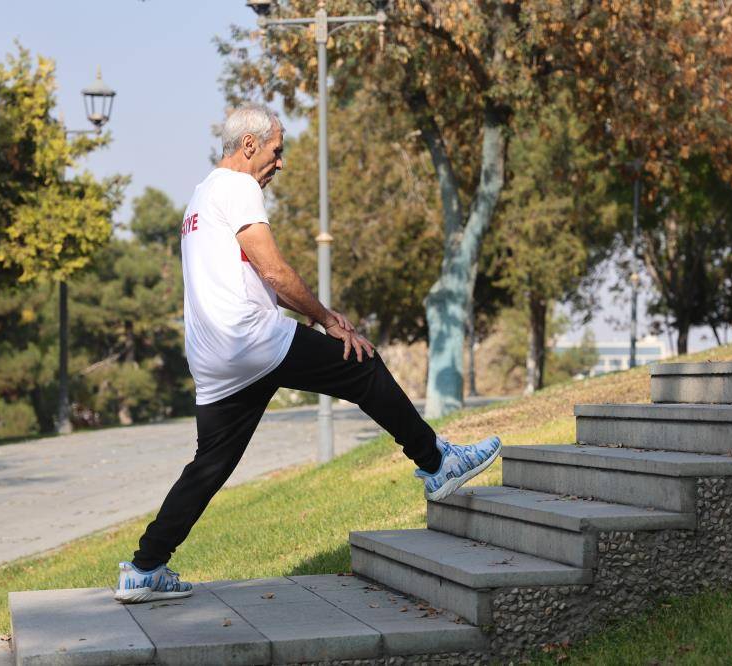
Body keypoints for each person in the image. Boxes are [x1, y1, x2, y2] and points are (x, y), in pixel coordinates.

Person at [113, 102, 501, 604]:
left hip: (214, 359)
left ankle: (145, 568)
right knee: (361, 365)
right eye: (276, 150)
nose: (280, 162)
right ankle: (437, 462)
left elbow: (240, 274)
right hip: (252, 341)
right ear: (249, 145)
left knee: (210, 465)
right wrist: (327, 318)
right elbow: (272, 270)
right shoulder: (239, 187)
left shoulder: (199, 196)